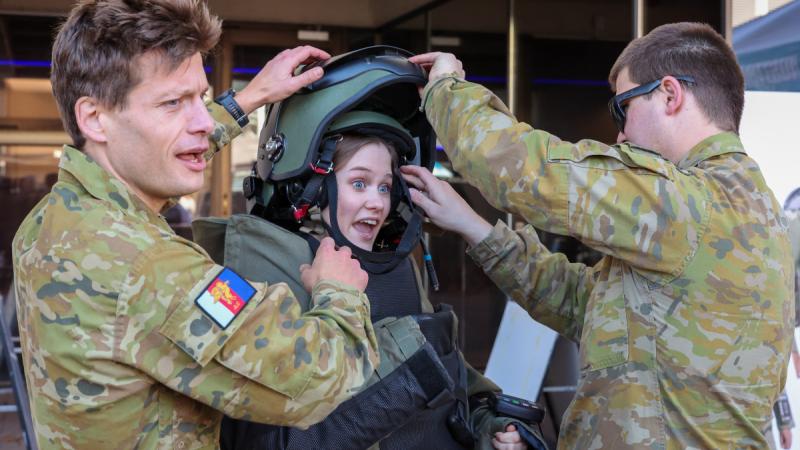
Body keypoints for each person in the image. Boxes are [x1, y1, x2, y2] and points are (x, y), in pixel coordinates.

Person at [405, 21, 795, 449]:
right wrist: (472, 225)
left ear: (670, 94)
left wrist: (446, 88)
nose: (621, 133)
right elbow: (588, 306)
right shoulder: (752, 210)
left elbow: (523, 169)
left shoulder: (683, 202)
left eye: (622, 107)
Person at [11, 1, 379, 448]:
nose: (203, 123)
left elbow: (159, 147)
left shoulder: (52, 216)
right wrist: (338, 292)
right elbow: (317, 380)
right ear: (94, 118)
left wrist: (249, 98)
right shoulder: (154, 271)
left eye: (200, 98)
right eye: (173, 103)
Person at [192, 46, 546, 449]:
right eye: (359, 183)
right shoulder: (256, 270)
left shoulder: (396, 269)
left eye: (385, 186)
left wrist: (486, 424)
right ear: (309, 185)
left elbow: (449, 384)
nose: (378, 202)